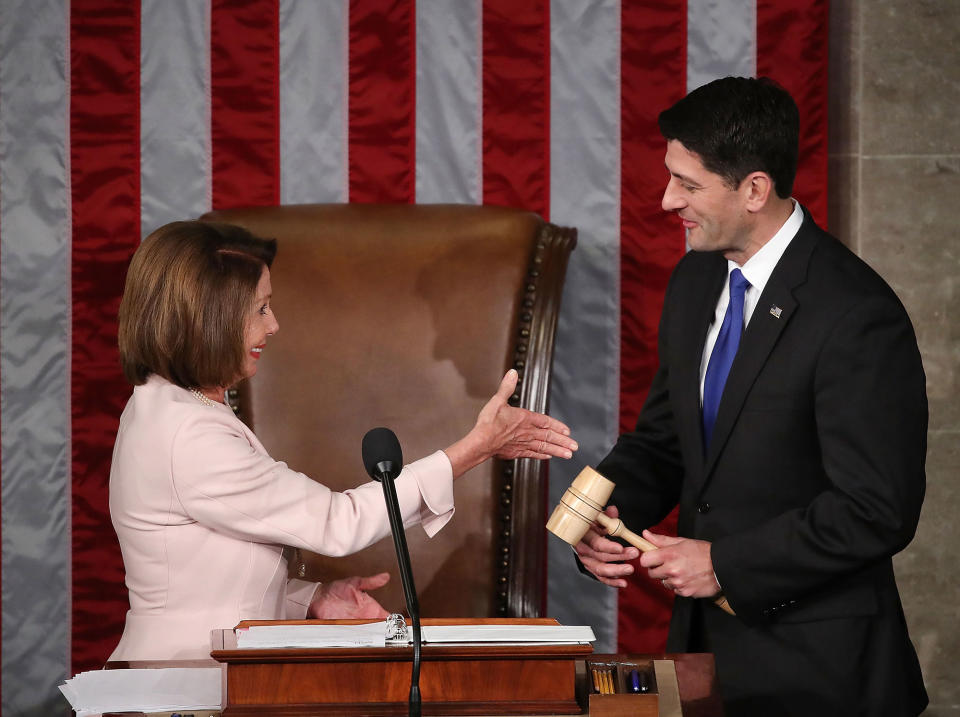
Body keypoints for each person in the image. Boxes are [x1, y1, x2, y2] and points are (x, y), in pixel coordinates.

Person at [575, 77, 927, 716]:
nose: (665, 200)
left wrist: (727, 564)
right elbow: (664, 440)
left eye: (687, 184)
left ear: (755, 190)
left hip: (822, 674)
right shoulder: (694, 278)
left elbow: (878, 509)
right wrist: (604, 517)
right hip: (708, 660)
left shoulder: (854, 312)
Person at [109, 220, 578, 661]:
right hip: (183, 686)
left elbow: (204, 576)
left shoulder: (168, 409)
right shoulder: (189, 434)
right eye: (260, 308)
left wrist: (312, 598)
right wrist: (476, 448)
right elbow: (337, 523)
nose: (274, 325)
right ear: (208, 319)